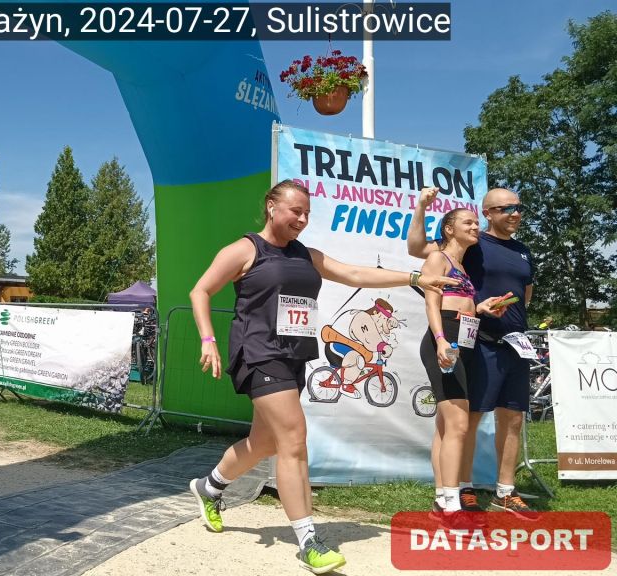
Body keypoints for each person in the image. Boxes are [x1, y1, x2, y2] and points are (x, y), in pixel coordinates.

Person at [188, 180, 457, 574]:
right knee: (294, 438)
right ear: (271, 207)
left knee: (264, 442)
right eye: (295, 211)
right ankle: (308, 541)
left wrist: (415, 278)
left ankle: (208, 487)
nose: (302, 219)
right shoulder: (246, 250)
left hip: (294, 355)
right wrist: (208, 340)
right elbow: (200, 291)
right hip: (258, 353)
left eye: (307, 213)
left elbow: (353, 273)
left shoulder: (306, 255)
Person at [408, 187, 537, 519]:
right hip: (477, 342)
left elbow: (525, 294)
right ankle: (458, 491)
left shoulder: (521, 251)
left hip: (515, 342)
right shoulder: (474, 245)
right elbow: (417, 250)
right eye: (506, 208)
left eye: (519, 207)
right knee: (465, 420)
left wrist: (483, 308)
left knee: (512, 418)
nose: (515, 213)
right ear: (489, 212)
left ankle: (504, 492)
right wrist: (422, 206)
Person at [415, 207, 509, 522]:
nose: (475, 226)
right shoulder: (437, 258)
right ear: (448, 229)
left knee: (446, 427)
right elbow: (432, 303)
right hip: (445, 338)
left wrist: (480, 308)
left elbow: (460, 303)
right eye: (467, 222)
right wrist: (441, 339)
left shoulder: (462, 267)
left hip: (464, 339)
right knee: (458, 425)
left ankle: (442, 500)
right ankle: (451, 506)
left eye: (476, 222)